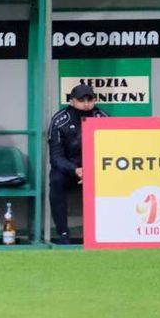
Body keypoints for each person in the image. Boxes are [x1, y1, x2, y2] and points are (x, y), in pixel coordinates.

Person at [48, 84, 108, 244]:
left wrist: (91, 170)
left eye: (90, 99)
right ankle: (63, 234)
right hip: (69, 169)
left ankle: (106, 232)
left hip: (95, 169)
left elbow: (110, 151)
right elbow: (55, 157)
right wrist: (76, 170)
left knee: (112, 179)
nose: (86, 103)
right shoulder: (60, 120)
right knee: (56, 181)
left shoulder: (102, 117)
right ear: (72, 101)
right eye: (82, 99)